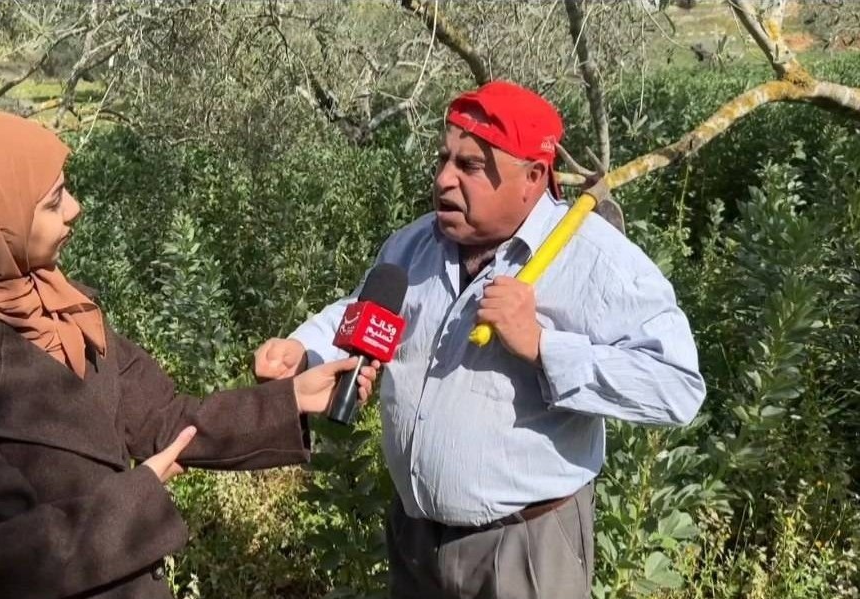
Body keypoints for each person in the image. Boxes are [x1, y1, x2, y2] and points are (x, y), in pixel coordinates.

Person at [0, 109, 379, 599]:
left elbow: (165, 416)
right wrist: (140, 495)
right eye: (53, 201)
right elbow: (7, 557)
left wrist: (288, 401)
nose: (75, 209)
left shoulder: (57, 306)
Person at [253, 81, 706, 599]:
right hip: (415, 537)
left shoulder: (594, 262)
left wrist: (541, 345)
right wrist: (306, 348)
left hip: (525, 549)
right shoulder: (413, 243)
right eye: (445, 159)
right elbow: (365, 311)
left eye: (469, 167)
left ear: (532, 177)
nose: (444, 180)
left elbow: (677, 388)